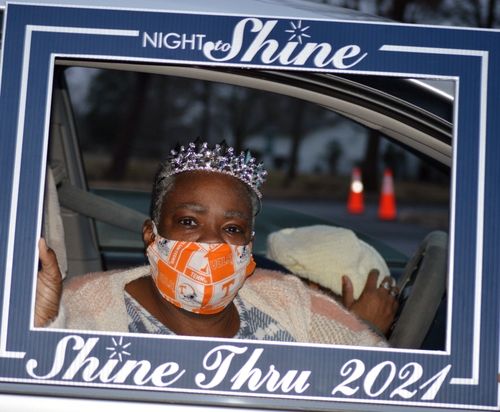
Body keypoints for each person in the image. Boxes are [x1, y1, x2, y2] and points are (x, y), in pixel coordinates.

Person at [36, 141, 398, 345]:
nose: (211, 241)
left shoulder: (291, 302)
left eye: (232, 228)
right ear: (151, 235)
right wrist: (41, 323)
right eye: (189, 222)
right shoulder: (83, 309)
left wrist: (364, 327)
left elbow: (363, 368)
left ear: (249, 246)